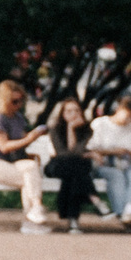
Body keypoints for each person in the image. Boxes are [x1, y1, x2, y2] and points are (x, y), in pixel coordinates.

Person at [0, 79, 51, 233]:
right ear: (4, 100)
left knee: (31, 168)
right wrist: (29, 139)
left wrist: (33, 138)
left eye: (21, 101)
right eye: (14, 101)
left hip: (13, 162)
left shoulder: (18, 118)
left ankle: (34, 213)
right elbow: (4, 146)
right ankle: (33, 216)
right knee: (29, 178)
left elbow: (21, 142)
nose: (18, 105)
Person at [88, 93, 131, 226]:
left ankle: (130, 210)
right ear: (119, 109)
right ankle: (122, 212)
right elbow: (90, 148)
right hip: (104, 164)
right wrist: (114, 151)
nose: (129, 120)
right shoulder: (100, 124)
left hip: (126, 163)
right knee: (116, 175)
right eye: (128, 115)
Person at [43, 95, 98, 233]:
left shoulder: (87, 130)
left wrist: (73, 131)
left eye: (76, 110)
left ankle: (73, 221)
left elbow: (75, 151)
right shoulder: (55, 129)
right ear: (62, 114)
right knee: (77, 166)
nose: (73, 114)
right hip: (56, 165)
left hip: (74, 168)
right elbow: (62, 153)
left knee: (74, 176)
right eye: (69, 111)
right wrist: (70, 128)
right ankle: (93, 197)